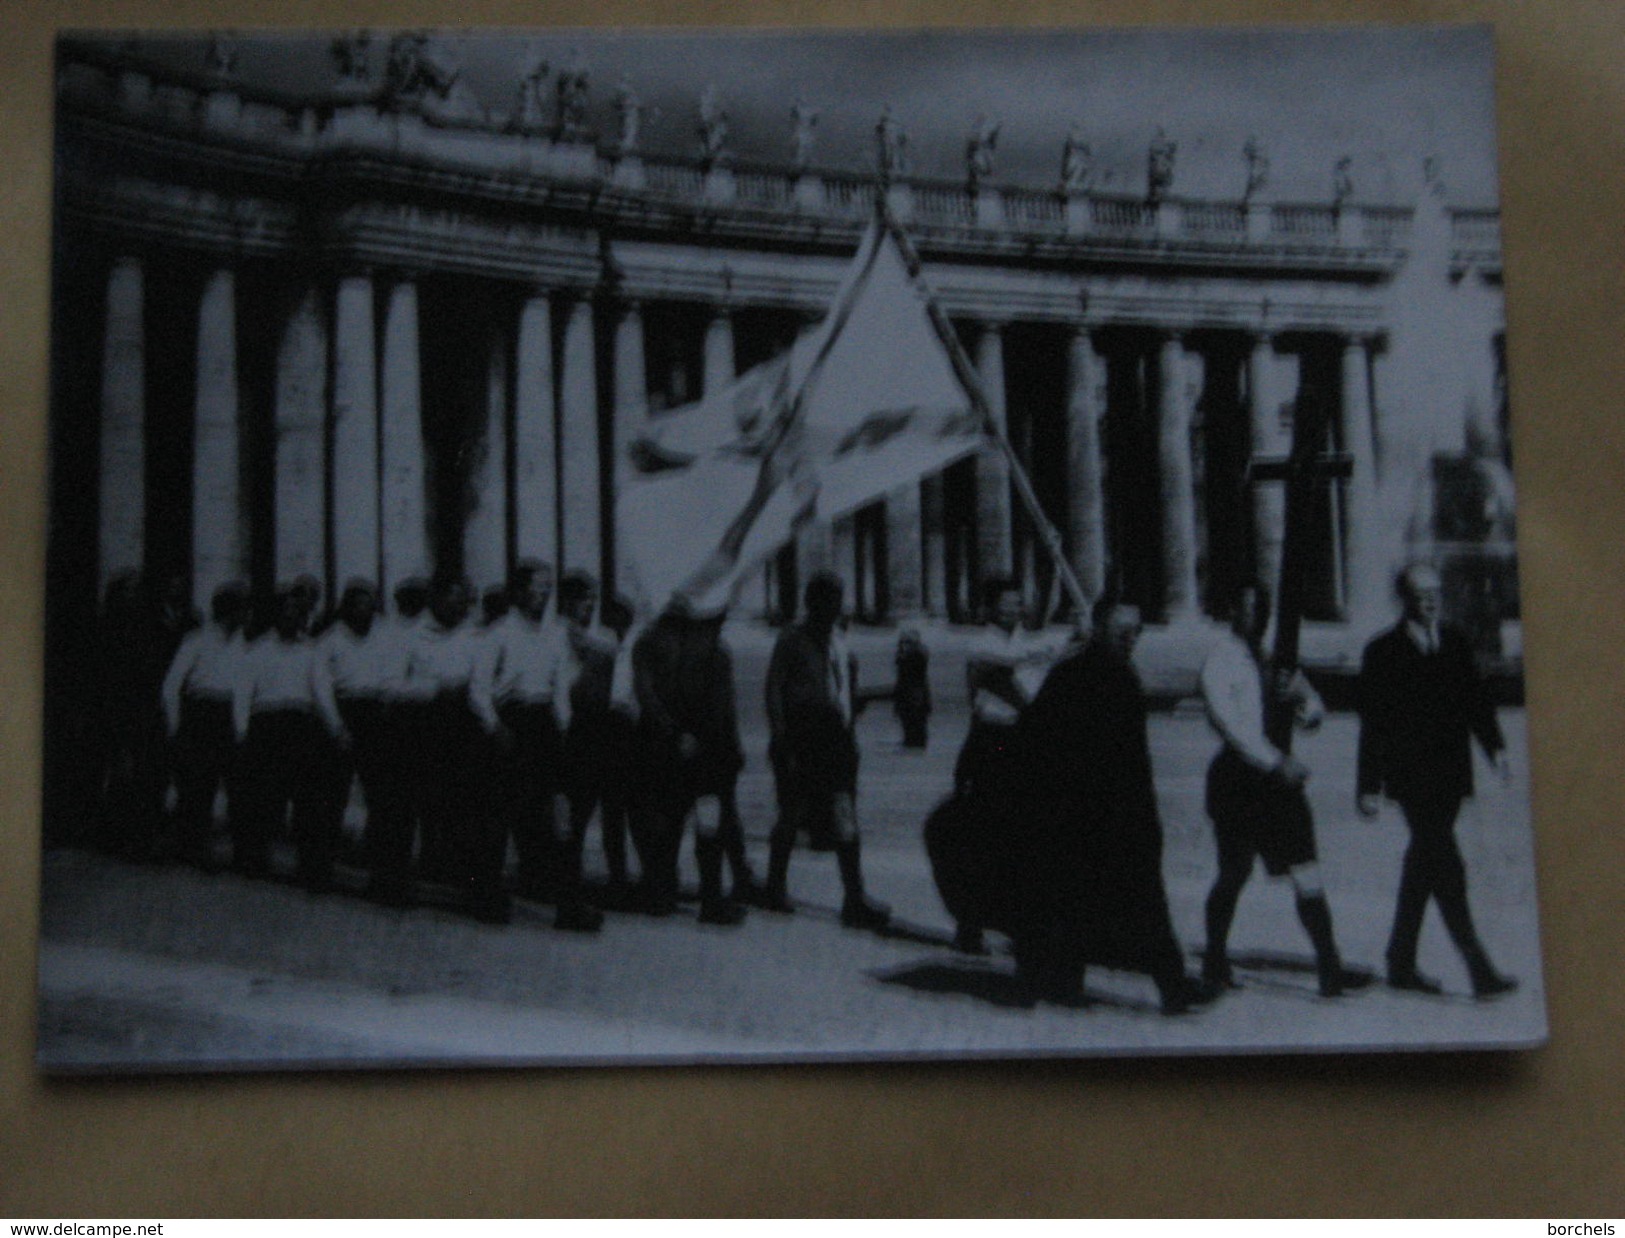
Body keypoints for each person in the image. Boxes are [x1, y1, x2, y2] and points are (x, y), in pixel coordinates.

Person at [998, 599, 1211, 1013]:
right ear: (1098, 629)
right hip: (1107, 814)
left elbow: (1032, 735)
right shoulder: (1104, 677)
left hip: (1084, 814)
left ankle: (1066, 980)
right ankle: (1173, 988)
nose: (1131, 640)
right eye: (1122, 632)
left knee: (1080, 897)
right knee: (1142, 902)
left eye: (1136, 632)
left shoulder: (1077, 673)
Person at [1199, 581, 1369, 998]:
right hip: (1239, 782)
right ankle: (1214, 959)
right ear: (1232, 612)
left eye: (1263, 610)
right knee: (1233, 873)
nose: (1257, 618)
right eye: (1249, 609)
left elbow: (1313, 712)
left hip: (1278, 786)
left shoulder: (1274, 658)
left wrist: (1301, 700)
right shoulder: (1221, 661)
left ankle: (1330, 967)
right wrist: (1278, 762)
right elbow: (1232, 727)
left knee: (1306, 871)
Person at [1356, 563, 1517, 999]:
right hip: (1411, 780)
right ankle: (1478, 969)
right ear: (1403, 599)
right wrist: (1368, 786)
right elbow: (1374, 726)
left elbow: (1476, 703)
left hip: (1450, 777)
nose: (1430, 600)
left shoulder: (1455, 643)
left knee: (1423, 865)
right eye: (1420, 593)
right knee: (1447, 864)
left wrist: (1496, 749)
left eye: (1435, 592)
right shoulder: (1382, 653)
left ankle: (1400, 961)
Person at [762, 572, 889, 930]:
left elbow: (845, 692)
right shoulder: (791, 639)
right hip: (801, 738)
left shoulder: (839, 641)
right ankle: (775, 887)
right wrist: (781, 739)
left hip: (837, 739)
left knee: (844, 812)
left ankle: (854, 898)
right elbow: (774, 690)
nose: (833, 607)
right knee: (792, 810)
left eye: (837, 600)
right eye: (826, 601)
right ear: (810, 603)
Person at [633, 600, 749, 925]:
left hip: (669, 747)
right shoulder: (715, 651)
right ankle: (711, 900)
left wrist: (673, 733)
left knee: (669, 821)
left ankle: (662, 893)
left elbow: (647, 695)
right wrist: (723, 746)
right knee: (707, 823)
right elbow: (723, 708)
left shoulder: (648, 641)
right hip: (705, 752)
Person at [404, 574, 508, 924]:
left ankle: (478, 889)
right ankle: (400, 877)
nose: (463, 607)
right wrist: (432, 689)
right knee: (417, 804)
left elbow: (480, 686)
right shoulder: (407, 635)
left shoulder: (476, 638)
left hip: (463, 730)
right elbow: (388, 684)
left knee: (470, 810)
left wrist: (490, 723)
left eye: (466, 601)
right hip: (419, 727)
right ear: (434, 599)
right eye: (454, 599)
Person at [231, 585, 347, 887]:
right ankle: (254, 861)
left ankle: (313, 869)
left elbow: (322, 692)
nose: (294, 617)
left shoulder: (312, 652)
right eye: (287, 611)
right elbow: (242, 694)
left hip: (302, 728)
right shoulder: (256, 650)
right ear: (275, 615)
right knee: (263, 798)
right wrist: (242, 731)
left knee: (308, 801)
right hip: (266, 726)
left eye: (299, 612)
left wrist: (335, 727)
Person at [315, 578, 408, 903]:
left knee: (384, 798)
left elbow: (394, 674)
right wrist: (336, 727)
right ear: (346, 607)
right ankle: (319, 870)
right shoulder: (330, 641)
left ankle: (385, 879)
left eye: (369, 604)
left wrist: (387, 702)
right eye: (357, 604)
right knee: (332, 796)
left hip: (377, 713)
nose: (364, 611)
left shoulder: (386, 636)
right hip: (344, 711)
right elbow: (322, 689)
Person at [161, 580, 250, 870]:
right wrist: (175, 725)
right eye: (242, 610)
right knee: (198, 786)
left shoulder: (240, 644)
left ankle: (243, 855)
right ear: (229, 611)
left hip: (227, 715)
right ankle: (192, 849)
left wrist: (240, 728)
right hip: (200, 715)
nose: (246, 616)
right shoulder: (196, 640)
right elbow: (171, 686)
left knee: (238, 788)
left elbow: (241, 688)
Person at [893, 629, 931, 750]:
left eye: (907, 642)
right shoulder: (907, 655)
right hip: (910, 692)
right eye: (902, 642)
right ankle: (911, 740)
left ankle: (915, 741)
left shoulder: (915, 656)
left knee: (915, 720)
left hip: (914, 692)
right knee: (909, 720)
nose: (904, 645)